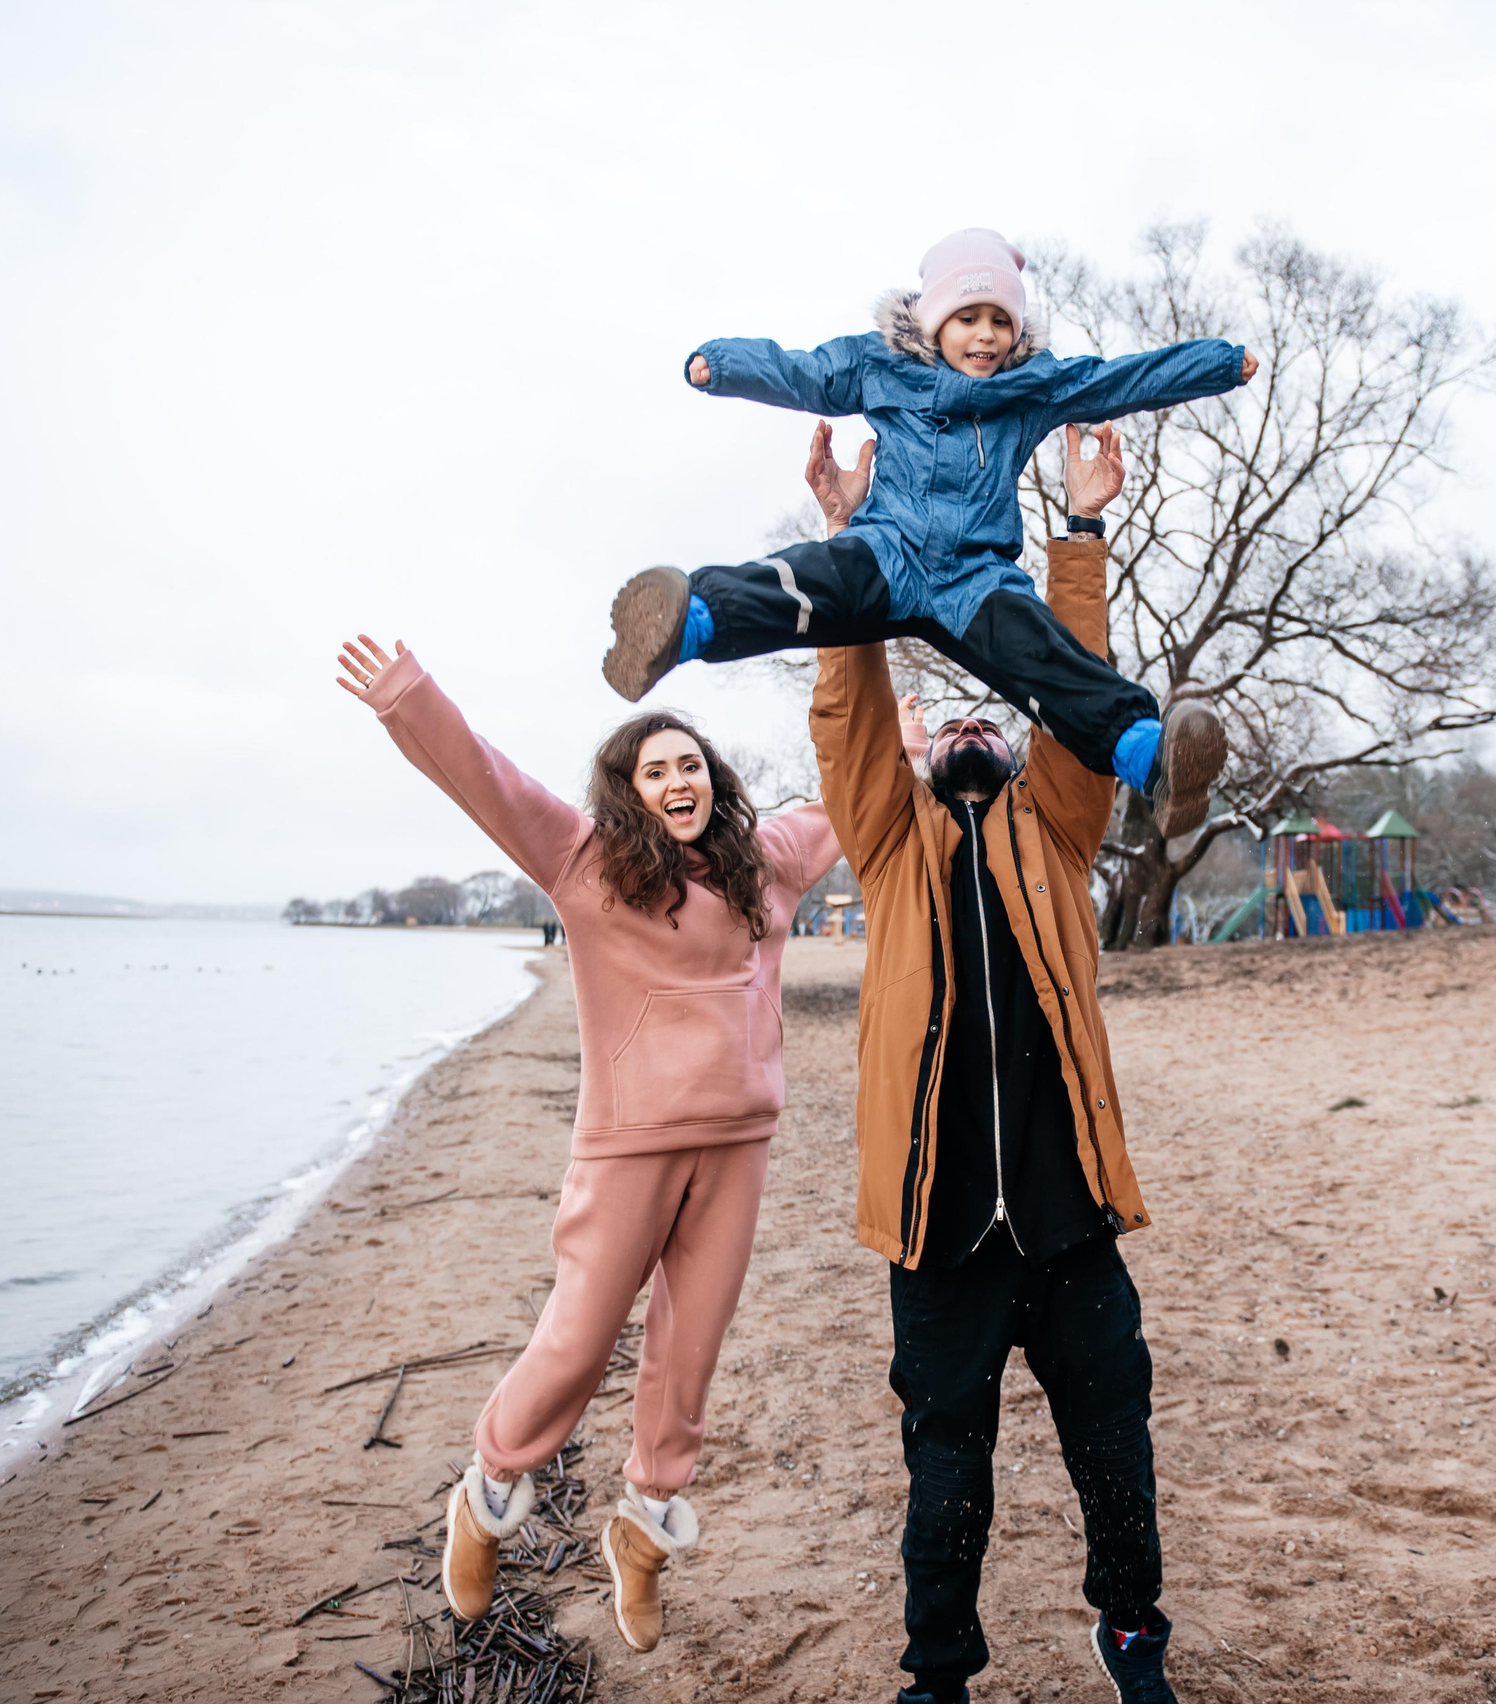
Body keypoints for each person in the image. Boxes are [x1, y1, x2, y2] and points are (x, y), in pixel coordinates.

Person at [332, 637, 840, 1652]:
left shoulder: (766, 866)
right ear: (629, 791)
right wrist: (408, 697)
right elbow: (489, 784)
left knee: (688, 1353)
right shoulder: (588, 864)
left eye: (690, 764)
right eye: (656, 771)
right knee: (576, 1342)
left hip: (738, 1145)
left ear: (713, 778)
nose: (678, 781)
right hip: (628, 1148)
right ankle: (486, 1495)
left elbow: (854, 800)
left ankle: (643, 1533)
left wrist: (901, 749)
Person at [804, 421, 1184, 1704]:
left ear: (1019, 741)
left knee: (1114, 1451)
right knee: (946, 1472)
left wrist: (1080, 535)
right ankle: (938, 1677)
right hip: (940, 1231)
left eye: (992, 710)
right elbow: (847, 724)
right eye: (948, 714)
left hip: (1070, 1222)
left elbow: (1079, 687)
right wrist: (850, 543)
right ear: (923, 747)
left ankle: (1131, 1636)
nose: (972, 721)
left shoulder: (1058, 834)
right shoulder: (889, 846)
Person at [602, 227, 1253, 839]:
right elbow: (806, 373)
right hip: (888, 551)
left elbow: (1123, 380)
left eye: (1001, 320)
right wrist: (723, 365)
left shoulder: (1032, 387)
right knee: (803, 585)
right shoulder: (882, 365)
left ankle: (1150, 760)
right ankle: (685, 623)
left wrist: (1218, 365)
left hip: (977, 580)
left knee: (1045, 660)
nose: (986, 334)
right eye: (968, 317)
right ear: (935, 319)